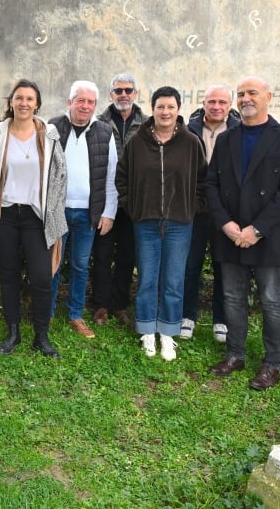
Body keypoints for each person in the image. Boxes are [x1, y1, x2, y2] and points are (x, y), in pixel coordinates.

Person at [206, 76, 280, 391]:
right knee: (232, 297)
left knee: (272, 300)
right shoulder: (226, 139)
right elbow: (211, 184)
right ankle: (235, 354)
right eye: (241, 94)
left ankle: (272, 363)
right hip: (231, 232)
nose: (246, 98)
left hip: (268, 234)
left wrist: (257, 229)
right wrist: (225, 224)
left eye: (252, 93)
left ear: (268, 97)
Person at [0, 79, 67, 358]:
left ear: (37, 104)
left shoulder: (49, 135)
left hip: (37, 216)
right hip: (6, 215)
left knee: (42, 277)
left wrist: (53, 214)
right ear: (11, 102)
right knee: (9, 275)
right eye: (19, 98)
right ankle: (13, 332)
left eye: (29, 98)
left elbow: (60, 176)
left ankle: (41, 335)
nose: (24, 103)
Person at [116, 86, 205, 361]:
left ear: (178, 110)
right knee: (147, 278)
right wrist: (132, 206)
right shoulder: (137, 142)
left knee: (174, 280)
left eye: (170, 107)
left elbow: (203, 181)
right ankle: (146, 329)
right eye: (160, 107)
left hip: (180, 223)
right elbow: (122, 177)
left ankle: (168, 331)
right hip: (146, 222)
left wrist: (192, 207)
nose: (165, 112)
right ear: (152, 109)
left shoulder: (191, 143)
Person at [48, 80, 117, 339]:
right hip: (57, 210)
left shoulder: (105, 132)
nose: (85, 106)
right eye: (81, 100)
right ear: (70, 102)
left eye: (90, 102)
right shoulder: (52, 127)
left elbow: (111, 176)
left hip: (88, 213)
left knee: (80, 266)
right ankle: (47, 312)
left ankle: (75, 314)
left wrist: (108, 212)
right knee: (52, 264)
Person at [181, 84, 240, 343]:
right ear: (203, 103)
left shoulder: (239, 130)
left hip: (227, 211)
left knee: (223, 267)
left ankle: (221, 319)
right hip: (196, 208)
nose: (217, 107)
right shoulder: (188, 130)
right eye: (212, 102)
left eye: (222, 102)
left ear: (229, 105)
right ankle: (187, 316)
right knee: (190, 265)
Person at [92, 73, 147, 326]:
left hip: (133, 200)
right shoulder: (98, 123)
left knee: (127, 254)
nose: (123, 95)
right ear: (111, 94)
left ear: (135, 94)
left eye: (128, 90)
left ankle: (119, 304)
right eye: (118, 90)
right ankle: (100, 304)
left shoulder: (147, 124)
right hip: (104, 198)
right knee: (102, 254)